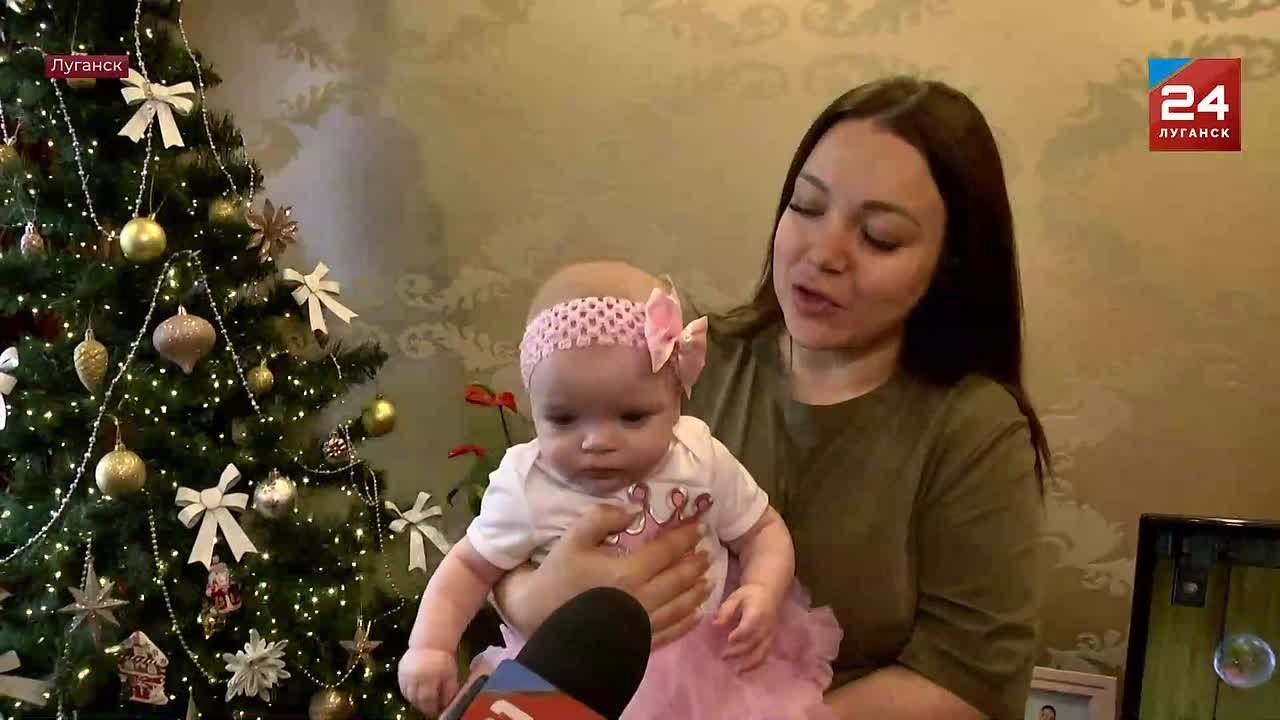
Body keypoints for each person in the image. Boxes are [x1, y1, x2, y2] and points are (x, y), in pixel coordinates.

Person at [490, 75, 1051, 720]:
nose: (825, 253)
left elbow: (970, 680)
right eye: (806, 207)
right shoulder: (680, 366)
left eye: (879, 237)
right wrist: (536, 599)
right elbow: (505, 529)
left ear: (949, 262)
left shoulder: (973, 428)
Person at [397, 263, 842, 719]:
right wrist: (430, 646)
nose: (597, 441)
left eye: (632, 417)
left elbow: (762, 530)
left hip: (712, 664)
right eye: (564, 419)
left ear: (676, 402)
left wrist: (763, 590)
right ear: (535, 405)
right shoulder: (527, 485)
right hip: (578, 675)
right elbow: (469, 566)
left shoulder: (699, 458)